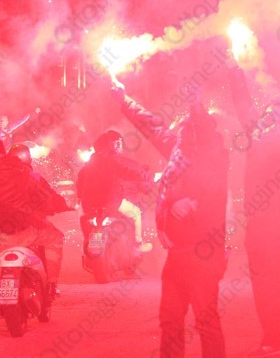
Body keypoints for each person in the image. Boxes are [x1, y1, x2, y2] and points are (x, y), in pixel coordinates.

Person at [114, 84, 228, 357]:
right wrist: (123, 99)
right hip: (177, 255)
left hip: (204, 254)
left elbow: (210, 189)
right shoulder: (179, 153)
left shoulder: (213, 157)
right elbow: (153, 127)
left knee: (206, 322)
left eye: (187, 128)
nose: (180, 131)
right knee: (170, 320)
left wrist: (195, 103)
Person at [0, 123, 68, 297]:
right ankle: (51, 283)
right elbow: (47, 197)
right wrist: (60, 205)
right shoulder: (28, 176)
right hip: (24, 232)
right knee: (55, 237)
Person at [228, 66, 280, 358]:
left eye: (274, 113)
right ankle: (272, 336)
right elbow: (243, 104)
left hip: (274, 226)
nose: (267, 116)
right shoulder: (257, 134)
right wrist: (233, 67)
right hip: (259, 227)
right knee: (264, 285)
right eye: (268, 112)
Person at [76, 129, 153, 253]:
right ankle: (138, 243)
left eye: (119, 142)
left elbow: (80, 182)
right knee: (136, 213)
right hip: (109, 201)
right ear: (109, 144)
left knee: (94, 226)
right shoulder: (110, 159)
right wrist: (145, 176)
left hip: (89, 204)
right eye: (117, 142)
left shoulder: (92, 160)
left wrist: (80, 198)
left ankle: (95, 248)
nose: (119, 146)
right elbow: (124, 171)